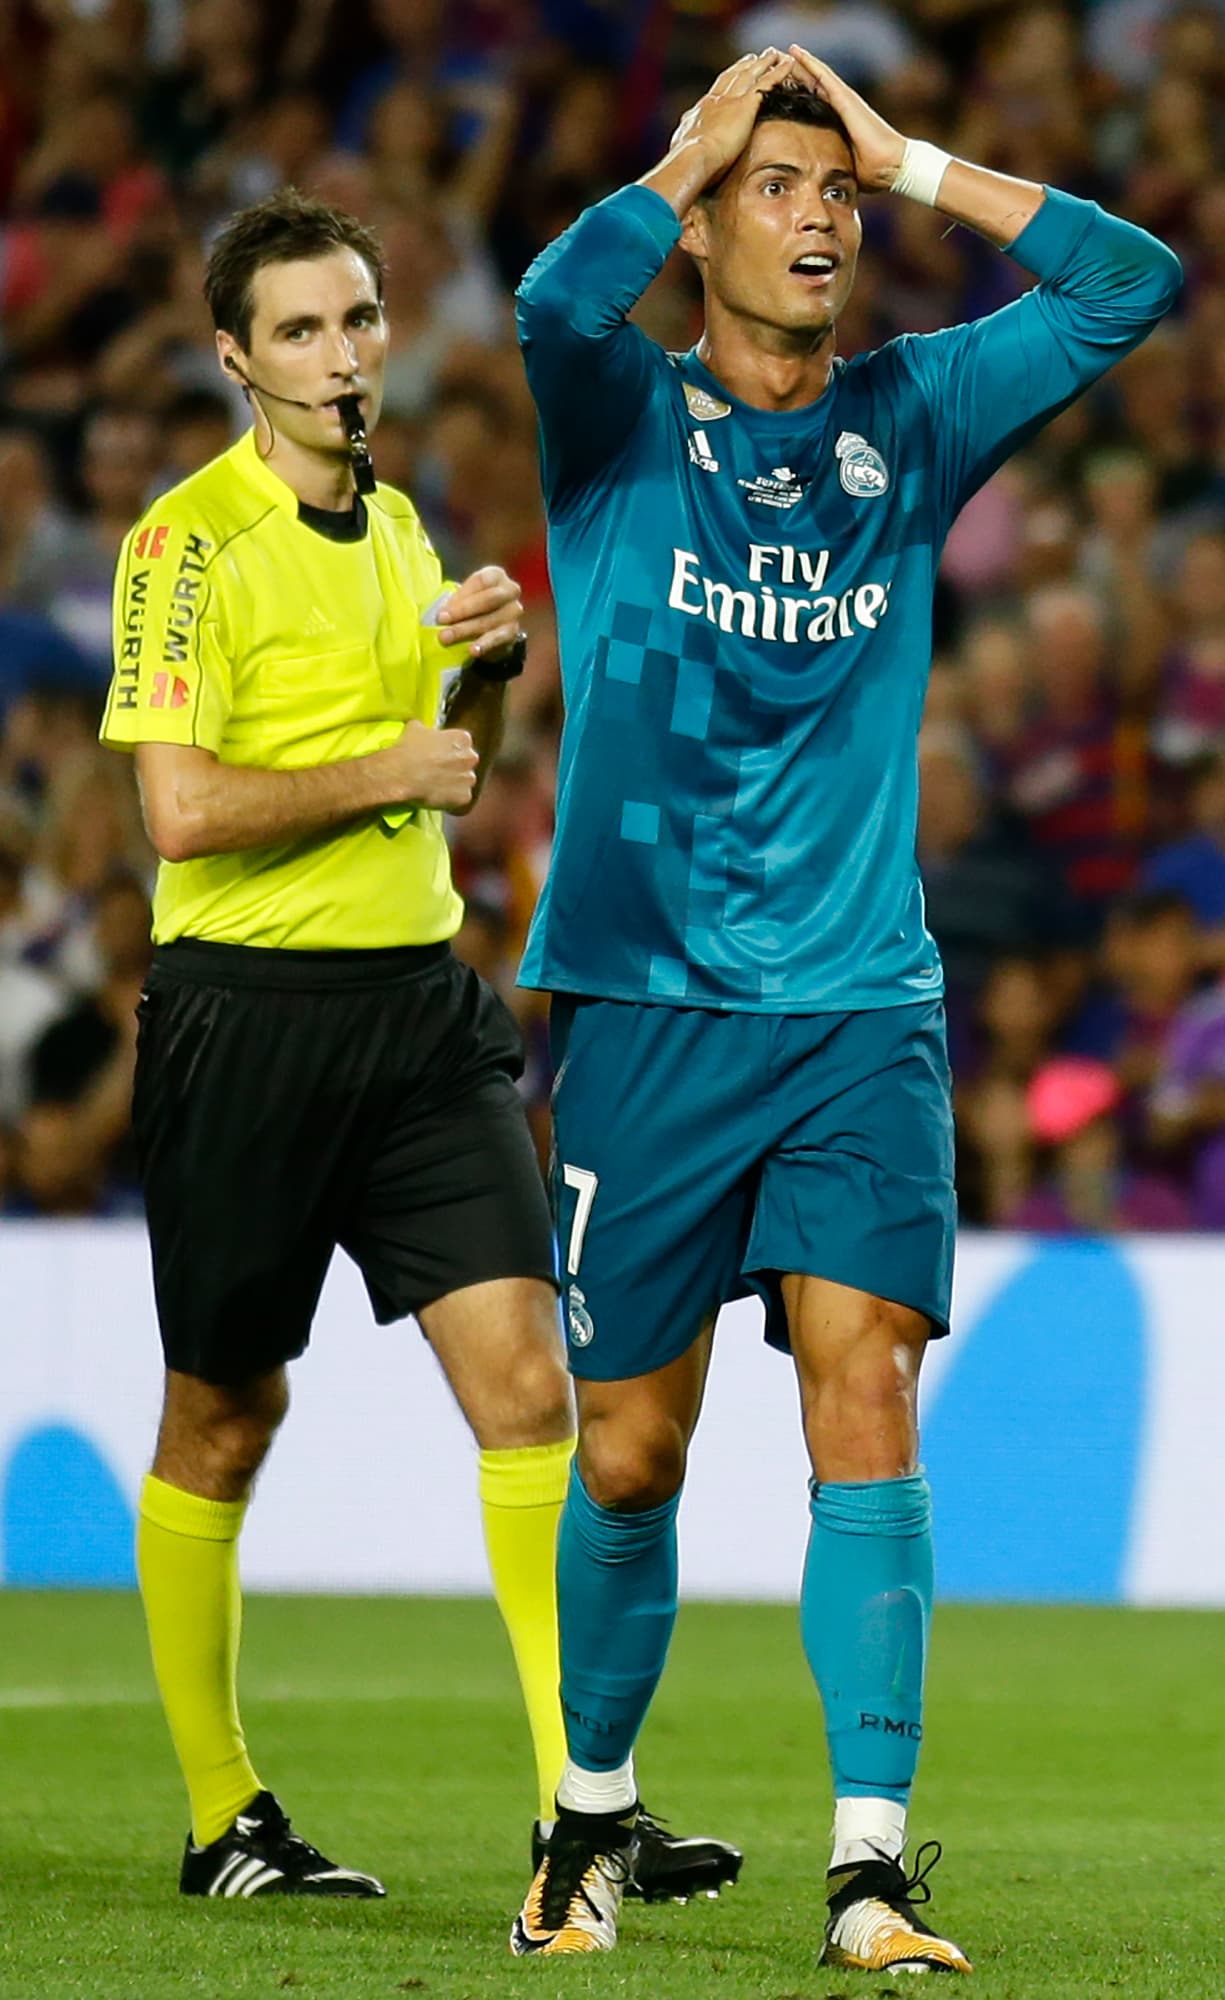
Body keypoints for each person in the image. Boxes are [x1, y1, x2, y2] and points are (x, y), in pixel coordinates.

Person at [509, 45, 1180, 1968]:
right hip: (643, 1008)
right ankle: (588, 1821)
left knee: (865, 1406)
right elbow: (559, 295)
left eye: (836, 197)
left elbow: (1125, 285)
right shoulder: (615, 416)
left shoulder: (918, 407)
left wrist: (916, 159)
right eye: (777, 188)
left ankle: (869, 1862)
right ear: (704, 222)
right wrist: (682, 145)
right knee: (628, 1455)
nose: (818, 217)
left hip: (859, 1012)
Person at [99, 189, 738, 1906]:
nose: (338, 353)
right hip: (244, 1020)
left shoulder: (393, 527)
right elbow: (178, 808)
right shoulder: (183, 547)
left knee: (534, 1393)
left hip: (420, 1019)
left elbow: (449, 760)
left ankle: (578, 1803)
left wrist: (490, 677)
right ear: (235, 356)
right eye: (298, 328)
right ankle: (224, 1814)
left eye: (359, 318)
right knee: (225, 1416)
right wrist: (392, 765)